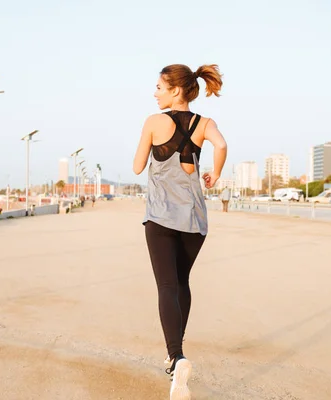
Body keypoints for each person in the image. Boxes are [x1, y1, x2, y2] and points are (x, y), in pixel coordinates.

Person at [133, 64, 227, 399]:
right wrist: (214, 174)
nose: (154, 92)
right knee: (182, 283)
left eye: (159, 86)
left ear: (175, 90)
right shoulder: (206, 124)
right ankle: (177, 355)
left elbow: (137, 165)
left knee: (166, 285)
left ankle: (176, 356)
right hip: (195, 222)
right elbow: (222, 145)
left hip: (160, 219)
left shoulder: (153, 122)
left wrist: (149, 143)